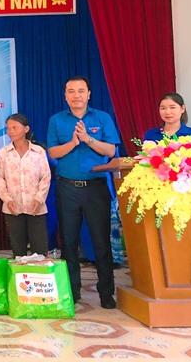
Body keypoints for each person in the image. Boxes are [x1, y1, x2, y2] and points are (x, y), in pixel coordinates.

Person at [47, 75, 119, 309]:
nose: (76, 95)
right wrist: (73, 143)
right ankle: (72, 292)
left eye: (81, 91)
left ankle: (106, 293)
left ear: (89, 94)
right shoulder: (57, 120)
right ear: (65, 96)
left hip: (96, 188)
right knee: (68, 242)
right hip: (67, 188)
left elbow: (110, 151)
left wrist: (88, 139)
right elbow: (53, 153)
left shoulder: (102, 118)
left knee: (101, 242)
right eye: (71, 91)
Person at [0, 113, 51, 257]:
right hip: (13, 208)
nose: (11, 131)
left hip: (35, 207)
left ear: (26, 129)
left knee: (39, 252)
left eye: (15, 127)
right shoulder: (3, 153)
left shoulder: (38, 152)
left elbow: (45, 178)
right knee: (18, 252)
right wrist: (7, 200)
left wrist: (39, 199)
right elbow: (0, 179)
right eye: (8, 128)